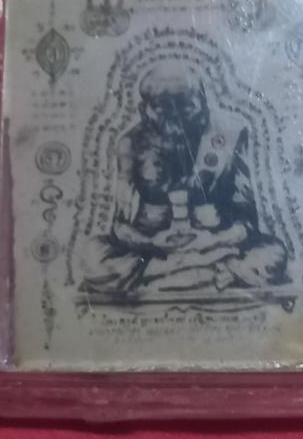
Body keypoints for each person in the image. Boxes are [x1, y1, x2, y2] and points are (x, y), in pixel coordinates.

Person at [76, 61, 287, 297]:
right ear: (145, 110)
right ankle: (206, 272)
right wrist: (152, 243)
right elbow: (120, 226)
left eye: (186, 107)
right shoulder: (130, 144)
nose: (177, 118)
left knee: (275, 253)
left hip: (217, 242)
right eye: (165, 108)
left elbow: (246, 220)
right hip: (154, 247)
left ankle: (165, 275)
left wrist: (212, 241)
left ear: (203, 103)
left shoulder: (232, 134)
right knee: (91, 256)